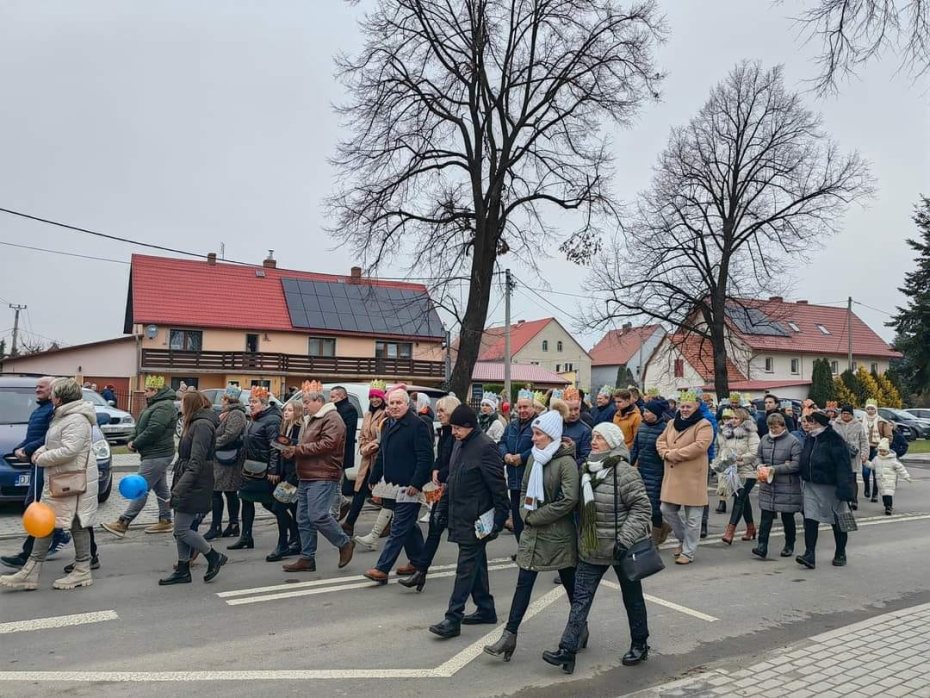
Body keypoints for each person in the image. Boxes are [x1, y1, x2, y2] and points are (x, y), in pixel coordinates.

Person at [542, 421, 653, 674]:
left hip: (621, 548)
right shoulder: (586, 469)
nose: (594, 441)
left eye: (600, 438)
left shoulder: (625, 472)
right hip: (592, 547)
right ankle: (567, 650)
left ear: (612, 442)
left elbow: (641, 508)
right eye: (593, 436)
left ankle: (640, 644)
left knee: (633, 599)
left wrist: (624, 540)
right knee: (580, 599)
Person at [484, 404, 579, 659]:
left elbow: (569, 499)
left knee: (571, 585)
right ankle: (509, 635)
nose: (534, 439)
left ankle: (579, 628)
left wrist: (536, 517)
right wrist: (526, 514)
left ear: (552, 435)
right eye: (534, 434)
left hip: (559, 536)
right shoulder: (535, 459)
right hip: (533, 533)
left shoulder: (566, 462)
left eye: (539, 434)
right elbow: (524, 489)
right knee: (523, 584)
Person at [1, 379, 99, 591]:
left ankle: (82, 569)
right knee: (46, 522)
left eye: (53, 392)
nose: (50, 395)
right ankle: (31, 570)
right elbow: (53, 442)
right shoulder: (62, 415)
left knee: (78, 523)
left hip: (73, 482)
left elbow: (70, 450)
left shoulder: (76, 418)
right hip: (60, 480)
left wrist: (41, 458)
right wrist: (39, 450)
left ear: (60, 397)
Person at [428, 404, 509, 639]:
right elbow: (453, 480)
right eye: (452, 427)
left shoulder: (485, 447)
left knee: (465, 568)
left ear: (470, 426)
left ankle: (453, 618)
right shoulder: (459, 444)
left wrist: (499, 520)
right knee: (476, 563)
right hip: (460, 514)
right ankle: (485, 608)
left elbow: (498, 486)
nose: (453, 432)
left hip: (477, 518)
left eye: (458, 428)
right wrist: (442, 509)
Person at [1, 376, 73, 569]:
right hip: (37, 464)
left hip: (46, 464)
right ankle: (58, 536)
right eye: (36, 386)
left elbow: (48, 438)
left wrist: (28, 449)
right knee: (36, 506)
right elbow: (32, 436)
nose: (37, 389)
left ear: (53, 390)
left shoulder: (54, 411)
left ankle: (28, 555)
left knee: (37, 507)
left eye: (42, 387)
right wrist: (19, 449)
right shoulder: (39, 411)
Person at [281, 386, 354, 572]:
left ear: (319, 401)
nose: (304, 406)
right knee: (303, 518)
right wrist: (292, 450)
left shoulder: (332, 418)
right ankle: (307, 558)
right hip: (307, 474)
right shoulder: (313, 419)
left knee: (318, 515)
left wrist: (297, 450)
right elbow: (309, 444)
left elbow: (329, 444)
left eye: (307, 402)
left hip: (323, 474)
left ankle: (344, 542)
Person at [363, 389, 433, 584]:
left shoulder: (417, 425)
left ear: (407, 404)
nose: (394, 407)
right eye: (391, 403)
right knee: (408, 525)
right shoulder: (387, 424)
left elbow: (426, 457)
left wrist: (416, 483)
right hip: (392, 486)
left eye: (398, 403)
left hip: (409, 486)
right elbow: (383, 454)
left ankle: (382, 568)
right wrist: (374, 476)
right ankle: (418, 561)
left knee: (399, 526)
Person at [158, 391, 228, 585]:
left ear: (189, 405)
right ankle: (183, 569)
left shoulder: (202, 425)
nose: (179, 405)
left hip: (195, 482)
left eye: (182, 402)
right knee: (180, 529)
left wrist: (178, 490)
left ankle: (213, 556)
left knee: (182, 529)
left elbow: (196, 462)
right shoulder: (194, 423)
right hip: (187, 479)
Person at [102, 375, 178, 537]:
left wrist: (136, 443)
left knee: (140, 488)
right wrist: (131, 439)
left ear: (156, 391)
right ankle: (166, 521)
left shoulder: (164, 406)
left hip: (158, 454)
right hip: (154, 453)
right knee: (161, 489)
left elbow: (154, 430)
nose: (144, 393)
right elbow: (139, 426)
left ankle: (123, 522)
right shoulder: (153, 404)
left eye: (147, 390)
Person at [400, 394, 461, 591]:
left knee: (462, 537)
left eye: (442, 411)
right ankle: (420, 571)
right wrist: (435, 469)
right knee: (435, 529)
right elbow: (440, 457)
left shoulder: (457, 434)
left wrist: (440, 473)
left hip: (454, 489)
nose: (439, 414)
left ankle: (422, 571)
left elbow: (455, 461)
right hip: (442, 487)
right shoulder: (445, 432)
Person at [656, 391, 713, 565]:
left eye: (688, 406)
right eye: (682, 406)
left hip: (693, 477)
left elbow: (700, 446)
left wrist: (674, 454)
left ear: (697, 407)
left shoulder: (704, 425)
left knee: (693, 518)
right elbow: (660, 441)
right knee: (666, 509)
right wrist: (665, 453)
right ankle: (683, 538)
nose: (684, 409)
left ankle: (688, 552)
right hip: (673, 476)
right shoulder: (672, 423)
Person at [796, 411, 854, 569]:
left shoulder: (834, 439)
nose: (808, 425)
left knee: (838, 520)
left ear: (820, 423)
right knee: (810, 519)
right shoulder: (810, 438)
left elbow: (843, 465)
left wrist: (845, 489)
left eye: (811, 422)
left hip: (831, 486)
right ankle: (809, 554)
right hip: (811, 485)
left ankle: (840, 552)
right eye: (807, 422)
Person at [228, 386, 281, 550]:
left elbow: (275, 447)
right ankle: (246, 537)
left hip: (264, 470)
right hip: (250, 468)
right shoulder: (255, 419)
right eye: (250, 401)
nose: (251, 404)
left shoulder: (272, 420)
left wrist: (273, 470)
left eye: (255, 402)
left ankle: (292, 531)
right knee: (246, 500)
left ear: (264, 403)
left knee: (271, 504)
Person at [752, 413, 802, 559]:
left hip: (787, 486)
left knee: (787, 517)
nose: (773, 430)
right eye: (771, 427)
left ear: (783, 426)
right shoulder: (764, 439)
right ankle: (762, 546)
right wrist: (759, 465)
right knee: (766, 517)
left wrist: (774, 469)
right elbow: (758, 456)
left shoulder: (793, 441)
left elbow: (796, 464)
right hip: (768, 485)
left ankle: (789, 544)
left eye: (776, 427)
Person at [344, 380, 388, 539]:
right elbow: (363, 434)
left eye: (377, 397)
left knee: (384, 494)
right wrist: (363, 446)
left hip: (380, 458)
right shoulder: (368, 414)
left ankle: (388, 523)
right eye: (372, 397)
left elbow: (383, 436)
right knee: (359, 491)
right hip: (367, 458)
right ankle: (349, 524)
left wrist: (372, 445)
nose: (374, 400)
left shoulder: (386, 414)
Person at [204, 385, 247, 540]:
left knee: (218, 491)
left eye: (223, 398)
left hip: (229, 458)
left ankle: (217, 526)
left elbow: (230, 434)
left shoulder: (236, 414)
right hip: (222, 457)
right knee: (227, 492)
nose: (221, 401)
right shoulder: (226, 413)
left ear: (228, 400)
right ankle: (232, 525)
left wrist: (212, 444)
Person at [715, 408, 761, 545]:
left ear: (743, 420)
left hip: (748, 471)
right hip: (732, 471)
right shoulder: (727, 433)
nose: (733, 421)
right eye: (731, 418)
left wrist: (739, 458)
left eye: (736, 418)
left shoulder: (751, 433)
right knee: (743, 499)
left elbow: (755, 453)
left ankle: (730, 532)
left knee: (739, 498)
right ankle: (751, 528)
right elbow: (723, 450)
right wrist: (722, 461)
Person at [265, 399, 303, 561]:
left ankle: (283, 544)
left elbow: (300, 448)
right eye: (285, 410)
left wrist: (290, 447)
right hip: (286, 473)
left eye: (290, 410)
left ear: (298, 412)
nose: (286, 412)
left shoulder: (299, 428)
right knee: (293, 508)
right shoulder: (285, 427)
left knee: (279, 506)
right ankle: (297, 540)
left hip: (294, 476)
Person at [631, 399, 670, 545]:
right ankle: (662, 527)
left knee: (655, 507)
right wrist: (629, 464)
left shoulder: (665, 429)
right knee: (642, 504)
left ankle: (654, 539)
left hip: (657, 473)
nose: (644, 414)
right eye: (644, 411)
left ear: (656, 413)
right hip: (642, 471)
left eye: (648, 411)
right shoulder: (642, 427)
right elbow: (635, 448)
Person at [499, 390, 535, 545]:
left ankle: (529, 550)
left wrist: (522, 457)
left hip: (529, 482)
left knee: (529, 518)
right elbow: (501, 442)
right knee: (517, 519)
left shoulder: (538, 425)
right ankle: (521, 549)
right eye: (519, 407)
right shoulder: (511, 426)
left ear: (533, 407)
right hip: (513, 481)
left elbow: (539, 447)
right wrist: (505, 454)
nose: (522, 410)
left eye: (525, 407)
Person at [831, 404, 869, 510]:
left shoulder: (858, 425)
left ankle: (854, 500)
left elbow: (864, 441)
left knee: (852, 478)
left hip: (853, 456)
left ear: (852, 415)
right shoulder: (835, 425)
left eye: (848, 413)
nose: (845, 415)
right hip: (839, 455)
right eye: (843, 413)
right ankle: (841, 498)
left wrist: (864, 454)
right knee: (839, 478)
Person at [331, 385, 359, 516]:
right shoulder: (335, 409)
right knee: (333, 483)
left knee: (336, 484)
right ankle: (342, 503)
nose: (331, 399)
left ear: (342, 396)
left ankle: (334, 512)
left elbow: (347, 433)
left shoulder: (349, 409)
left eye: (333, 397)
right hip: (335, 452)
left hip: (341, 452)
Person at [860, 399, 894, 502]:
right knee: (865, 472)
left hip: (877, 449)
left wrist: (883, 446)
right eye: (868, 409)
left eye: (872, 409)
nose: (870, 411)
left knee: (876, 473)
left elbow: (889, 436)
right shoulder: (861, 421)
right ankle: (867, 486)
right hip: (865, 448)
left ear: (876, 410)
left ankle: (874, 494)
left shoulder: (882, 422)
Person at [871, 437, 911, 515]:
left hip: (890, 480)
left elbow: (900, 468)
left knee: (888, 493)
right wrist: (865, 462)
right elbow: (872, 465)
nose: (882, 453)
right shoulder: (876, 459)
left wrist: (906, 476)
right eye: (880, 451)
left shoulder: (892, 460)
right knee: (884, 495)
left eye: (884, 451)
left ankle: (889, 507)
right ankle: (886, 505)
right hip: (881, 480)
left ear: (887, 451)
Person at [561, 388, 592, 468]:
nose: (573, 413)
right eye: (569, 410)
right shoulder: (556, 425)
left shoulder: (586, 430)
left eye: (576, 409)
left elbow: (585, 457)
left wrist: (566, 466)